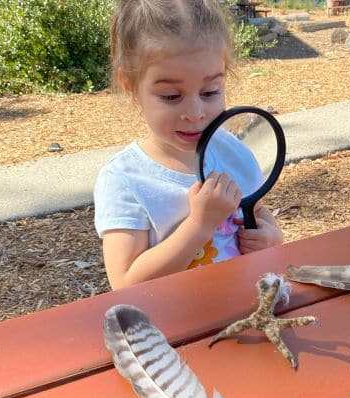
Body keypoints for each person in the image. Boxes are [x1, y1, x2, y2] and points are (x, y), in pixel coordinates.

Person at [94, 0, 283, 290]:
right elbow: (125, 284)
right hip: (172, 331)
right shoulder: (125, 180)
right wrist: (199, 225)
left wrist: (270, 236)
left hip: (242, 313)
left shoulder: (232, 153)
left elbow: (257, 211)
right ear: (130, 85)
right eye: (171, 96)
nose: (195, 112)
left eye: (210, 92)